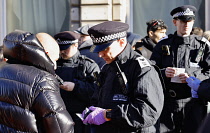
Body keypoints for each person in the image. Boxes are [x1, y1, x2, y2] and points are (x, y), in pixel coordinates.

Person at [81, 21, 164, 133]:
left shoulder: (142, 68)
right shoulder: (108, 67)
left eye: (105, 49)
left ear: (121, 41)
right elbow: (99, 100)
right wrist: (91, 111)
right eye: (98, 50)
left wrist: (108, 114)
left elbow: (147, 112)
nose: (100, 55)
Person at [150, 5, 210, 133]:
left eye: (189, 21)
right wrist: (163, 72)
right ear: (175, 22)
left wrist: (194, 78)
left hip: (194, 104)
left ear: (193, 22)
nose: (186, 25)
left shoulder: (203, 45)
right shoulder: (163, 44)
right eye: (183, 21)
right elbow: (150, 71)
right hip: (169, 104)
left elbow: (209, 71)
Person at [0, 30, 74, 133]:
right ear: (47, 54)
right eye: (55, 60)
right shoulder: (42, 80)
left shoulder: (2, 69)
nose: (55, 66)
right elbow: (59, 125)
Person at [54, 31, 100, 133]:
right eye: (60, 49)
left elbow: (97, 90)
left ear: (76, 45)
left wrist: (75, 87)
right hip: (57, 118)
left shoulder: (88, 65)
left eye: (65, 49)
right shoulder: (53, 65)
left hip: (80, 120)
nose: (62, 52)